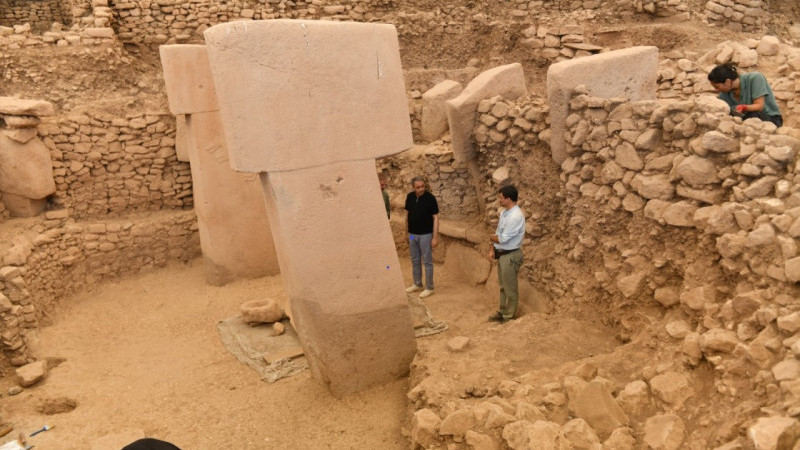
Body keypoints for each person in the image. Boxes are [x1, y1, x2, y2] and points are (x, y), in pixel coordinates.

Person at [487, 184, 525, 323]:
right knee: (503, 286)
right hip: (502, 255)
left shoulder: (515, 217)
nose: (500, 201)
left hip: (510, 255)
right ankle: (502, 312)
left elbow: (501, 238)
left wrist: (490, 237)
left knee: (510, 289)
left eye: (501, 198)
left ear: (508, 199)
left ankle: (508, 317)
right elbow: (497, 233)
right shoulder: (504, 213)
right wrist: (492, 249)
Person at [708, 63, 783, 127]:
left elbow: (759, 106)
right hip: (745, 119)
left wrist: (743, 107)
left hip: (770, 118)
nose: (716, 90)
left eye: (717, 87)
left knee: (753, 116)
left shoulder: (755, 78)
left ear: (727, 82)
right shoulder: (723, 95)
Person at [405, 176, 439, 298]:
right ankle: (417, 284)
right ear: (413, 188)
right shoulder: (410, 197)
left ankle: (429, 287)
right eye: (418, 187)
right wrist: (406, 232)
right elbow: (407, 215)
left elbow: (435, 218)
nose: (421, 189)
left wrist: (435, 237)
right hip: (413, 235)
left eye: (423, 186)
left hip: (425, 235)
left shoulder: (430, 199)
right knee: (414, 259)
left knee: (427, 261)